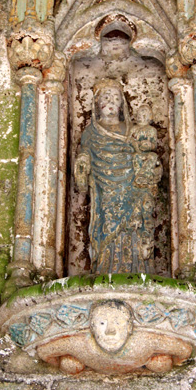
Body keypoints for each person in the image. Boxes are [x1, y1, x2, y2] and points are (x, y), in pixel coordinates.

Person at [75, 79, 161, 274]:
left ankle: (138, 268)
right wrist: (82, 163)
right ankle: (106, 266)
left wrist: (150, 168)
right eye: (106, 97)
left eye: (115, 98)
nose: (111, 102)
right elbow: (86, 155)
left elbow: (143, 152)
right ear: (97, 104)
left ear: (122, 104)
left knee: (136, 224)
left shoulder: (131, 129)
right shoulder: (91, 132)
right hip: (104, 189)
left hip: (132, 184)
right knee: (107, 223)